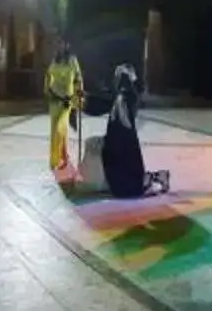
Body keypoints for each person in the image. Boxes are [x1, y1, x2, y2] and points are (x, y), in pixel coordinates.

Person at [99, 63, 170, 198]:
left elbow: (133, 98)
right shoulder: (119, 100)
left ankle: (158, 178)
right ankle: (158, 177)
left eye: (121, 78)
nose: (118, 82)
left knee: (133, 186)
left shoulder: (128, 99)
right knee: (130, 182)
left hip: (125, 160)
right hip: (120, 159)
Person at [42, 35, 86, 181]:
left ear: (67, 45)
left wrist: (79, 93)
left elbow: (78, 78)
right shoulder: (55, 60)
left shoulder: (72, 60)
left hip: (66, 100)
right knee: (56, 130)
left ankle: (55, 160)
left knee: (60, 129)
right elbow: (48, 76)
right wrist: (47, 90)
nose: (59, 46)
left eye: (62, 43)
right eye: (58, 43)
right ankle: (64, 157)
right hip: (54, 100)